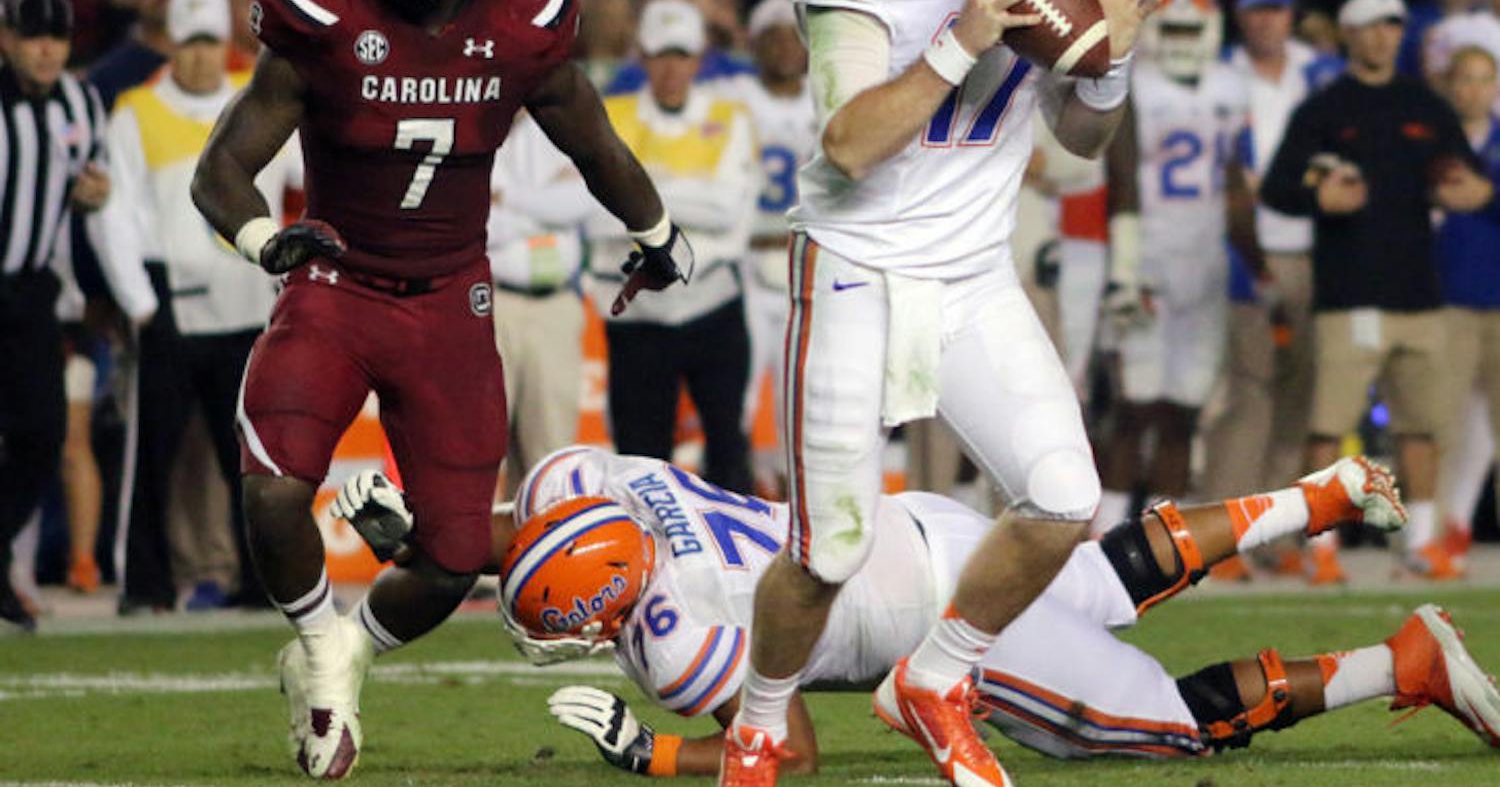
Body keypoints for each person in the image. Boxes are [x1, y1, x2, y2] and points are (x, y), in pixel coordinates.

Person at [190, 0, 691, 780]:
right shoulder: (321, 12)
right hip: (334, 283)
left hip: (450, 299)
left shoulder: (521, 20)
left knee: (457, 553)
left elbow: (595, 141)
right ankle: (312, 638)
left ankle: (344, 653)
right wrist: (266, 238)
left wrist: (657, 231)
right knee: (271, 487)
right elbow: (222, 166)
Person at [724, 0, 1157, 787]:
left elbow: (1082, 139)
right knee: (828, 551)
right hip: (858, 268)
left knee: (1064, 499)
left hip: (972, 274)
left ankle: (936, 676)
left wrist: (1109, 66)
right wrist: (960, 38)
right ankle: (759, 720)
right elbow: (849, 141)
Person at [332, 445, 1500, 775]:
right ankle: (1322, 493)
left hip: (939, 624)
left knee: (1163, 725)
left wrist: (654, 755)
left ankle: (1402, 662)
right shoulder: (584, 482)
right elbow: (524, 537)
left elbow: (781, 750)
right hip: (919, 524)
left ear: (616, 605)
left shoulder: (673, 646)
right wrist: (437, 540)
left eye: (571, 621)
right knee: (1100, 573)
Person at [1261, 0, 1495, 586]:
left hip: (1418, 290)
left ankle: (1420, 544)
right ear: (1347, 33)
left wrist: (1472, 192)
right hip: (1347, 291)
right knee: (1327, 427)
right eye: (1369, 24)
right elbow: (1276, 188)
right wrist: (1318, 196)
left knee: (1421, 426)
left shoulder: (1426, 106)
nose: (1382, 34)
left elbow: (1464, 176)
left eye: (1392, 23)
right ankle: (1324, 550)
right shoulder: (1324, 109)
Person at [93, 0, 298, 614]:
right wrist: (140, 303)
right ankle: (146, 585)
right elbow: (114, 216)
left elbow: (303, 184)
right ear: (172, 47)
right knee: (150, 457)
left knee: (253, 460)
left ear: (227, 46)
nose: (201, 56)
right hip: (170, 302)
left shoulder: (259, 105)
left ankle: (262, 583)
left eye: (210, 43)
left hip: (247, 304)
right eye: (189, 44)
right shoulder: (136, 111)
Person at [1096, 0, 1256, 533]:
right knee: (1135, 406)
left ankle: (1164, 534)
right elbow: (1122, 181)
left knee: (1185, 408)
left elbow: (1235, 184)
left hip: (1206, 267)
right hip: (1150, 263)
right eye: (1175, 29)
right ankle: (1104, 530)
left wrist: (1256, 265)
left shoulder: (1230, 87)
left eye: (1194, 29)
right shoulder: (1135, 84)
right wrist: (1123, 270)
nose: (1185, 41)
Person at [1199, 0, 1339, 582]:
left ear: (1291, 13)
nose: (1266, 20)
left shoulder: (1320, 71)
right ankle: (1223, 537)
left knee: (1299, 398)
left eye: (1276, 9)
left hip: (1313, 245)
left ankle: (1276, 532)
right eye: (1256, 9)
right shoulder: (1218, 72)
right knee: (1249, 394)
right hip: (1244, 244)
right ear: (1241, 15)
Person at [591, 0, 759, 494]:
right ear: (642, 55)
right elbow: (594, 215)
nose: (671, 67)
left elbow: (730, 211)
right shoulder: (609, 114)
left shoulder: (731, 115)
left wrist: (641, 196)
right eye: (661, 54)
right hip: (638, 313)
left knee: (729, 444)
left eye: (681, 55)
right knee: (640, 457)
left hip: (713, 303)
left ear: (699, 58)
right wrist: (689, 198)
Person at [0, 0, 109, 632]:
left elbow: (85, 181)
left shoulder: (80, 101)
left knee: (43, 436)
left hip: (34, 288)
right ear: (8, 38)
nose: (45, 49)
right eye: (34, 35)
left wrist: (93, 194)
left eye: (57, 38)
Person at [724, 0, 816, 489]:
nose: (784, 48)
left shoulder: (826, 96)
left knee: (799, 401)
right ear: (755, 44)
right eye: (773, 38)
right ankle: (740, 492)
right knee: (737, 397)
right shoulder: (734, 97)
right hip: (748, 262)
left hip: (804, 262)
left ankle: (792, 509)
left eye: (793, 38)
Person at [486, 111, 593, 484]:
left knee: (551, 459)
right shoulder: (464, 124)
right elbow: (473, 222)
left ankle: (541, 543)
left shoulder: (559, 124)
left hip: (556, 305)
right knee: (481, 448)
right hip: (492, 305)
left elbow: (583, 199)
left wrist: (506, 200)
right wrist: (545, 205)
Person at [1435, 45, 1500, 562]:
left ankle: (1461, 524)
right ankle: (1443, 533)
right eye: (1465, 78)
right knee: (1443, 424)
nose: (1473, 89)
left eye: (1483, 79)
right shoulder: (1432, 139)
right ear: (1451, 84)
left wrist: (1489, 196)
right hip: (1449, 298)